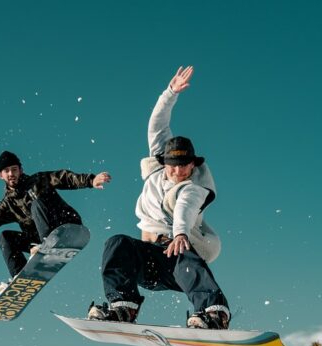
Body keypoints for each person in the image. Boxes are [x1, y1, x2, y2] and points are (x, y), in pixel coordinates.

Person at [88, 66, 230, 329]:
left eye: (184, 166)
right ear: (164, 162)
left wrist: (180, 234)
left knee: (182, 252)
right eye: (173, 165)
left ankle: (213, 313)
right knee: (117, 243)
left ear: (193, 165)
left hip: (176, 265)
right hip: (146, 262)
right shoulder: (157, 172)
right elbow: (157, 124)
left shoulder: (193, 187)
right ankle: (123, 306)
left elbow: (185, 209)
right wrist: (170, 93)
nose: (178, 172)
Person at [0, 151, 111, 290]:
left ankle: (45, 244)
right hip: (39, 240)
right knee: (5, 237)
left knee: (36, 203)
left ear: (21, 170)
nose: (11, 174)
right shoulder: (8, 204)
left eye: (14, 169)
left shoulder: (38, 180)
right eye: (7, 171)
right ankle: (19, 277)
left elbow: (64, 177)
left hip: (66, 223)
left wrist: (90, 180)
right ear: (1, 175)